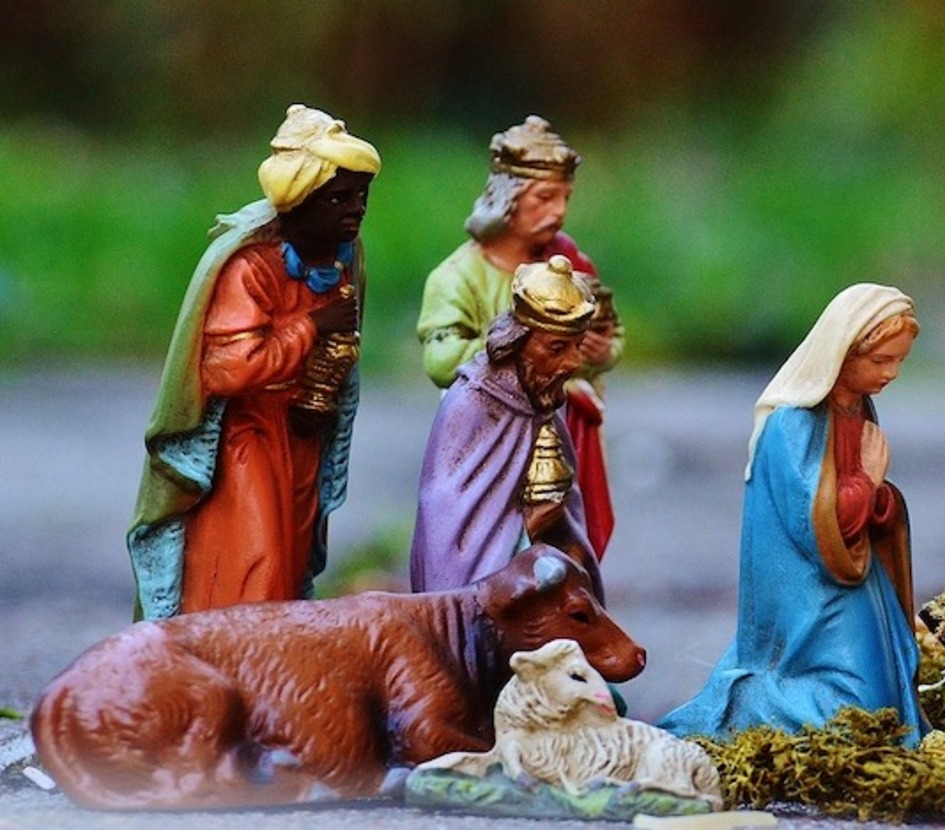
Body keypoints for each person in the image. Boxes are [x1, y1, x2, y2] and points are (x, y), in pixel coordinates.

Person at [127, 104, 379, 620]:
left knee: (292, 554)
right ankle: (226, 648)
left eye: (361, 196)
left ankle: (276, 655)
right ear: (298, 200)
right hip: (251, 436)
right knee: (253, 556)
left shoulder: (344, 258)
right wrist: (311, 327)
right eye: (339, 198)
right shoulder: (250, 269)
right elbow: (229, 368)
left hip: (303, 431)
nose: (356, 210)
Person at [658, 284, 925, 747]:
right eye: (881, 360)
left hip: (851, 573)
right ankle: (747, 698)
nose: (892, 373)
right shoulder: (793, 423)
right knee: (858, 709)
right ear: (843, 352)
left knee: (888, 688)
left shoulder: (858, 407)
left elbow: (862, 506)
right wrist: (867, 482)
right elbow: (813, 522)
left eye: (899, 360)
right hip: (806, 586)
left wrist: (880, 500)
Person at [417, 115, 623, 557]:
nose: (559, 211)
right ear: (507, 198)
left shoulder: (569, 264)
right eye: (544, 197)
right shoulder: (457, 277)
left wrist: (602, 349)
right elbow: (441, 361)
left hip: (568, 427)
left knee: (571, 537)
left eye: (565, 197)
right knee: (495, 541)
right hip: (491, 434)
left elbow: (609, 336)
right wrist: (518, 348)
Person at [409, 255, 601, 597]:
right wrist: (529, 527)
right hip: (492, 595)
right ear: (519, 341)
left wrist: (562, 534)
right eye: (557, 348)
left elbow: (567, 511)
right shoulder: (473, 403)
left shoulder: (542, 396)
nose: (573, 363)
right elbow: (447, 526)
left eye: (577, 346)